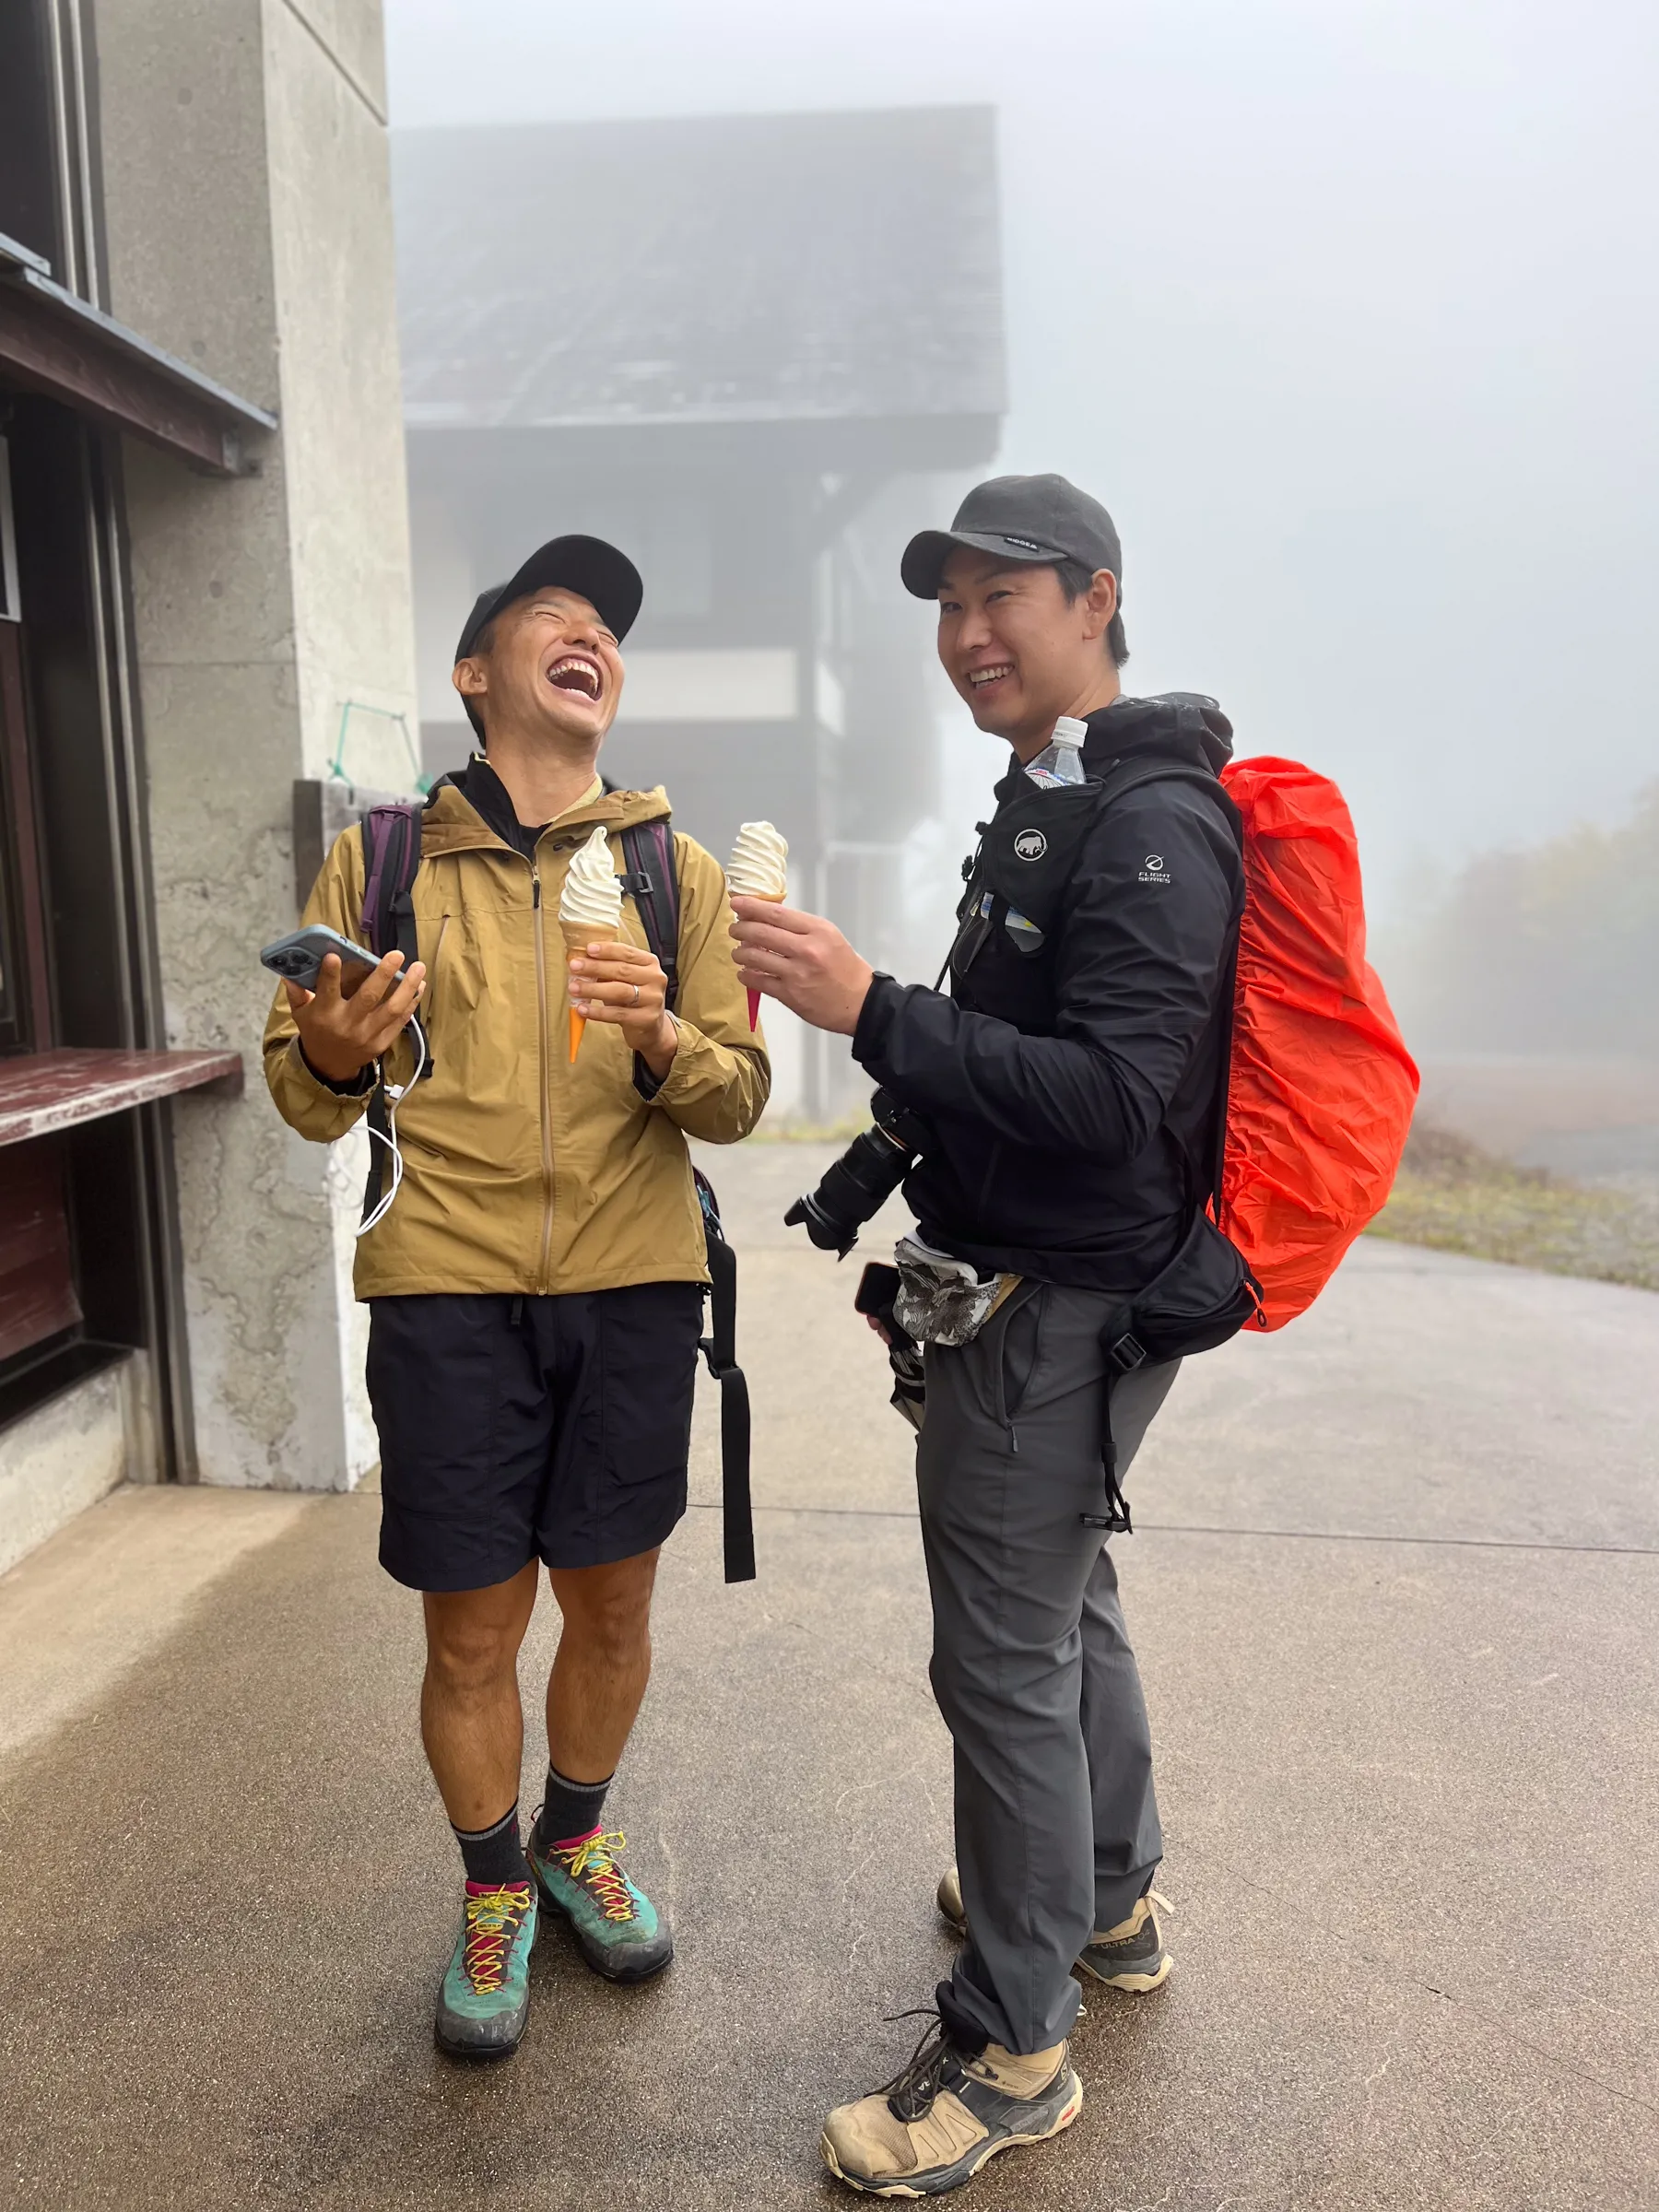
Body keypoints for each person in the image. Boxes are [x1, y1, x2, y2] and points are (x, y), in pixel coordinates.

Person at [731, 476, 1243, 2195]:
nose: (965, 639)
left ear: (1096, 598)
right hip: (1031, 1287)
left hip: (1059, 1302)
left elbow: (1110, 1103)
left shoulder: (1151, 825)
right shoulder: (1057, 797)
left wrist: (866, 1008)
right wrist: (884, 1130)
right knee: (1062, 1602)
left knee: (999, 1664)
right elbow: (1008, 1032)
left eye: (998, 600)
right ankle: (1105, 1899)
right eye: (946, 609)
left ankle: (1013, 2051)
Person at [264, 535, 769, 2059]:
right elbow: (304, 1093)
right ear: (477, 673)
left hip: (629, 1288)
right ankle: (493, 1886)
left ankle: (574, 1839)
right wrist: (341, 1052)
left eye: (607, 627)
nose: (591, 635)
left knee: (613, 1608)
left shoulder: (676, 875)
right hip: (446, 1294)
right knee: (472, 1636)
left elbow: (741, 1099)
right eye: (554, 619)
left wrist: (667, 1040)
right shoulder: (387, 858)